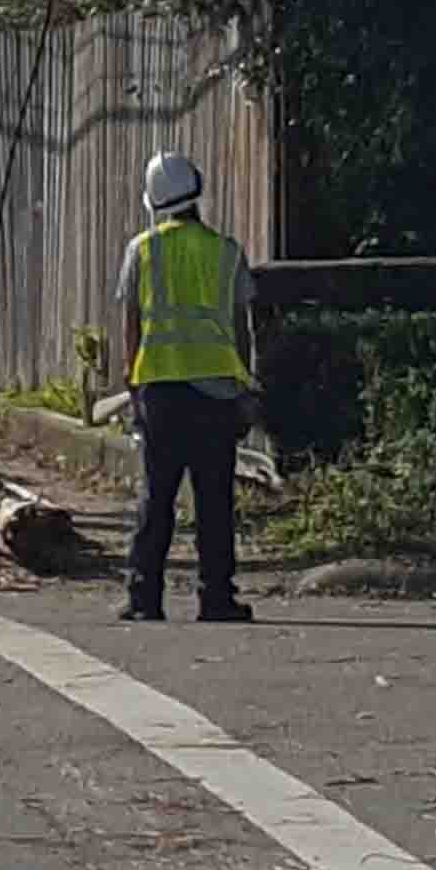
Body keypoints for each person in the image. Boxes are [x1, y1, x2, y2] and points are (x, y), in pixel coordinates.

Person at [113, 148, 255, 626]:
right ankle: (216, 597)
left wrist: (132, 385)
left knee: (158, 496)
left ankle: (143, 597)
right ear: (197, 191)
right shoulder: (227, 252)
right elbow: (241, 329)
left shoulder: (142, 251)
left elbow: (130, 327)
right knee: (214, 500)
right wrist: (243, 391)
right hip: (216, 392)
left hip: (160, 390)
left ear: (153, 201)